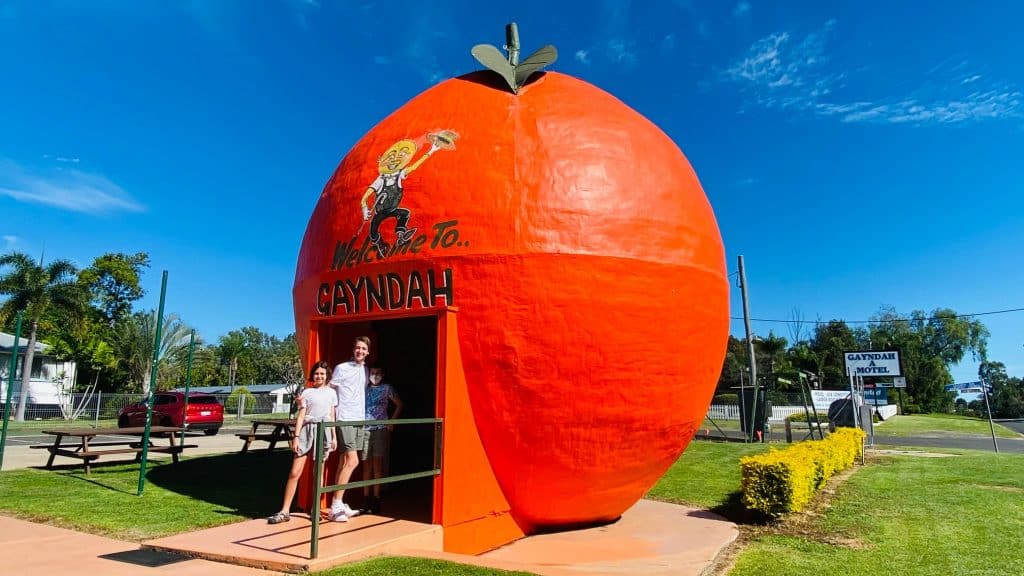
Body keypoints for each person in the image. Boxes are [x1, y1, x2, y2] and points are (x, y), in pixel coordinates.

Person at [267, 361, 337, 524]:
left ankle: (315, 509)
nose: (319, 376)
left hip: (323, 430)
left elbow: (332, 415)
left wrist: (333, 437)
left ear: (327, 376)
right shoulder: (307, 392)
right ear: (313, 375)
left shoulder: (332, 393)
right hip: (307, 429)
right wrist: (296, 437)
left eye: (322, 374)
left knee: (318, 472)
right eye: (316, 373)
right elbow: (301, 415)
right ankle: (284, 510)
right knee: (294, 472)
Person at [328, 336, 371, 522]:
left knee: (344, 461)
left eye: (363, 349)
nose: (360, 351)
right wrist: (330, 413)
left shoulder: (366, 370)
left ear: (367, 352)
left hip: (359, 418)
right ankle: (336, 504)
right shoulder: (341, 368)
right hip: (344, 418)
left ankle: (338, 501)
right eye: (357, 348)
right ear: (353, 350)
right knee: (353, 461)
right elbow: (331, 389)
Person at [361, 366, 402, 514]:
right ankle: (366, 498)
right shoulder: (364, 387)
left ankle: (376, 498)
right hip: (365, 429)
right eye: (372, 373)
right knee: (366, 465)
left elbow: (399, 404)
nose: (375, 375)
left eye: (378, 373)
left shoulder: (386, 388)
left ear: (383, 374)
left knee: (377, 465)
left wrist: (391, 422)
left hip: (380, 429)